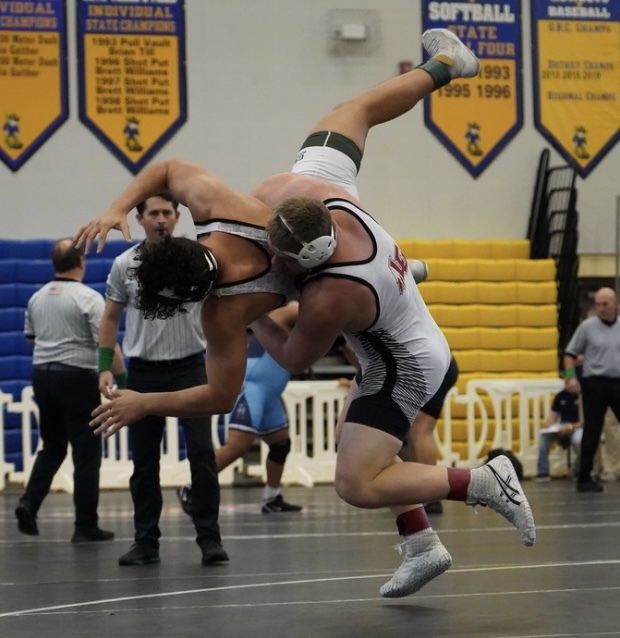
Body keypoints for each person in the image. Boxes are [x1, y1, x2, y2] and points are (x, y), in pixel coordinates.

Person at [78, 29, 535, 599]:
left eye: (284, 260)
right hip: (359, 257)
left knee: (356, 480)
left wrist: (150, 399)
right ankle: (447, 66)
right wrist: (116, 207)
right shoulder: (268, 197)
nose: (273, 261)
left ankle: (483, 481)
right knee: (352, 111)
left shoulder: (272, 303)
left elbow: (258, 375)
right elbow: (171, 167)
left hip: (402, 353)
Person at [97, 194, 228, 566]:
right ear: (139, 219)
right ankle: (145, 542)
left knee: (202, 456)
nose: (160, 220)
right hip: (144, 372)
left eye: (166, 213)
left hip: (190, 368)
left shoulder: (197, 260)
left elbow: (223, 305)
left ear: (177, 217)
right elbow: (110, 317)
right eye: (152, 213)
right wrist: (104, 366)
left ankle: (209, 539)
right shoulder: (125, 264)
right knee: (144, 463)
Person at [15, 238, 122, 542]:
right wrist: (124, 379)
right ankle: (85, 525)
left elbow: (31, 339)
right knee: (86, 452)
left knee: (52, 445)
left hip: (42, 376)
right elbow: (107, 344)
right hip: (76, 378)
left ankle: (29, 503)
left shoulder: (37, 297)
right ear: (80, 263)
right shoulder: (88, 298)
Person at [177, 302, 303, 515]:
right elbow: (283, 315)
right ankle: (191, 486)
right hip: (253, 388)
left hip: (269, 394)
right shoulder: (292, 311)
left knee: (280, 444)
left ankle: (272, 498)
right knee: (237, 446)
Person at [564, 287, 620, 493]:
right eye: (598, 305)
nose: (601, 308)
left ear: (615, 304)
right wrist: (570, 377)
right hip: (594, 383)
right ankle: (584, 477)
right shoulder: (587, 327)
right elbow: (570, 354)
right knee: (592, 431)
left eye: (605, 304)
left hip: (617, 382)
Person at [405, 355, 459, 514]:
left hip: (434, 365)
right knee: (414, 426)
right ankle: (420, 489)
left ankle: (431, 494)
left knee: (420, 426)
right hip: (429, 365)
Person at [534, 388, 582, 482]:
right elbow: (554, 415)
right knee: (544, 437)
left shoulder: (582, 396)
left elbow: (584, 421)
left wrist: (570, 427)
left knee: (578, 441)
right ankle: (543, 472)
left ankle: (578, 469)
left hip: (577, 426)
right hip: (562, 425)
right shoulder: (560, 396)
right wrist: (549, 424)